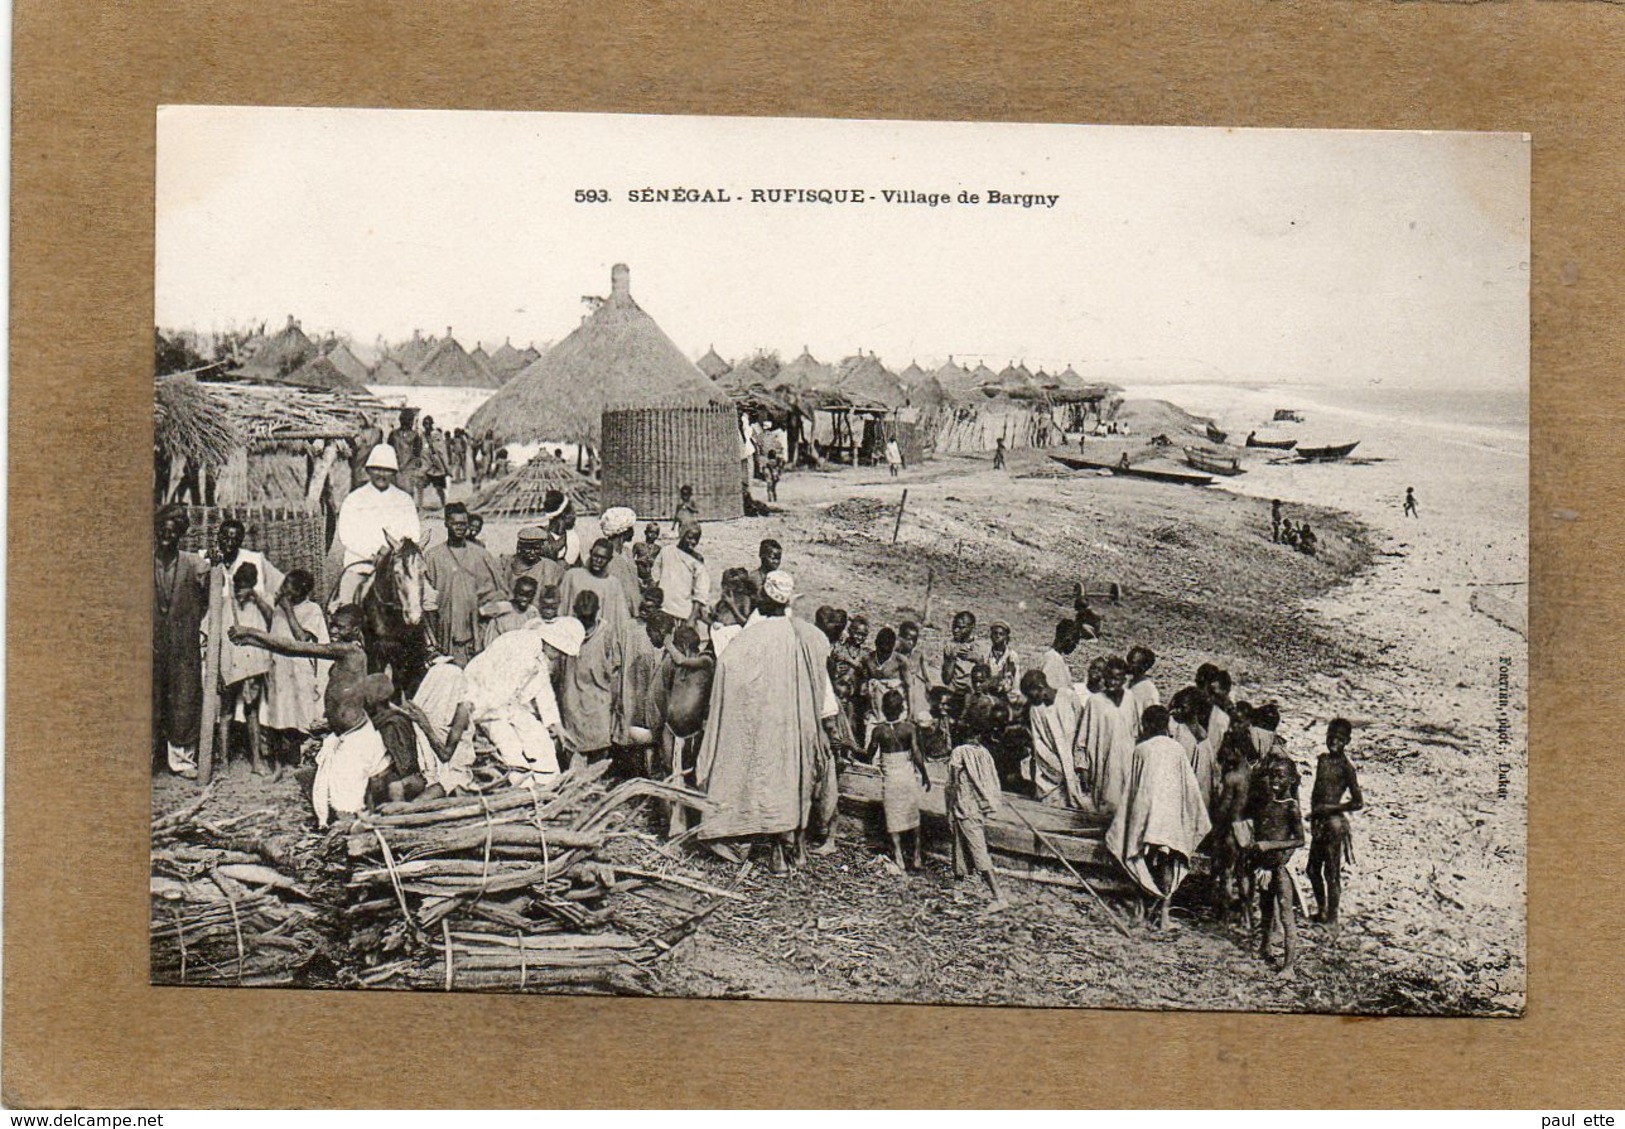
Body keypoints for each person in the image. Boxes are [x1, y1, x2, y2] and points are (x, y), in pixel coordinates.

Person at [695, 571, 845, 874]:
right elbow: (822, 682)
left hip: (760, 720)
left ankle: (755, 842)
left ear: (763, 597)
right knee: (787, 782)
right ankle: (787, 852)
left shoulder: (753, 634)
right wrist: (827, 724)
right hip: (793, 724)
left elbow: (727, 666)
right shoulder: (801, 635)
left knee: (756, 777)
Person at [229, 606, 395, 826]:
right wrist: (251, 641)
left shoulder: (350, 652)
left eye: (340, 627)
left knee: (345, 807)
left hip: (354, 738)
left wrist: (252, 633)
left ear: (355, 630)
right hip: (344, 734)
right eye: (332, 624)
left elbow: (295, 648)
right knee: (332, 801)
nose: (333, 630)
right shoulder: (348, 651)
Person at [1105, 705, 1213, 931]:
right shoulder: (1177, 749)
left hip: (1145, 815)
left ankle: (1139, 912)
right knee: (1167, 861)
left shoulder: (1141, 749)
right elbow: (1189, 787)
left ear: (1146, 726)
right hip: (1169, 818)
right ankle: (1163, 915)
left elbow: (1133, 787)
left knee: (1138, 857)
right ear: (1166, 726)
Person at [462, 616, 585, 783]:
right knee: (510, 745)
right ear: (551, 642)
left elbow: (543, 690)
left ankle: (548, 783)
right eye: (561, 652)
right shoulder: (522, 646)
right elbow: (498, 691)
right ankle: (525, 791)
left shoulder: (540, 652)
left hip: (508, 703)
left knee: (539, 738)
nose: (561, 657)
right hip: (483, 702)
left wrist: (554, 724)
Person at [154, 507, 209, 778]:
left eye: (173, 529)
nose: (167, 533)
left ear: (181, 534)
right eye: (163, 527)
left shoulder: (195, 565)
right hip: (150, 644)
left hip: (183, 645)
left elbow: (208, 601)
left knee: (184, 698)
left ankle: (182, 761)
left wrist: (188, 626)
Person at [257, 569, 330, 776]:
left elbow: (303, 639)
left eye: (288, 591)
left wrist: (288, 610)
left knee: (301, 716)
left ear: (301, 593)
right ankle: (279, 765)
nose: (282, 593)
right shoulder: (279, 609)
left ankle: (300, 761)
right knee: (279, 715)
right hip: (279, 670)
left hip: (300, 672)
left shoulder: (312, 610)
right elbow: (274, 637)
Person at [333, 444, 422, 610]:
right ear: (368, 470)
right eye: (377, 469)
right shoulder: (354, 499)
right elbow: (346, 534)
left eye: (387, 470)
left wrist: (393, 552)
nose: (382, 474)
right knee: (347, 607)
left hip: (398, 568)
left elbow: (413, 533)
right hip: (362, 565)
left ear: (394, 473)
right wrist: (373, 552)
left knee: (424, 602)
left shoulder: (404, 500)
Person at [946, 701, 1011, 912]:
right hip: (975, 808)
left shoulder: (959, 752)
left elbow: (953, 783)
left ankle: (998, 895)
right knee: (959, 845)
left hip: (965, 808)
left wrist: (948, 808)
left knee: (978, 851)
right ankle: (958, 888)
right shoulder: (984, 753)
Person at [422, 503, 504, 666]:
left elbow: (497, 593)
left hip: (476, 631)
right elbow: (426, 601)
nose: (460, 528)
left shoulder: (481, 555)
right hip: (444, 631)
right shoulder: (432, 557)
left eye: (463, 524)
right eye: (455, 523)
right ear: (446, 523)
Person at [385, 656, 476, 801]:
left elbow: (446, 756)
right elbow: (404, 712)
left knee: (418, 803)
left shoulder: (462, 711)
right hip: (429, 771)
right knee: (395, 788)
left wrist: (424, 724)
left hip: (453, 773)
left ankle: (401, 816)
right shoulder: (433, 708)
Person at [1249, 754, 1305, 971]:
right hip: (1266, 866)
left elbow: (1299, 840)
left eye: (1280, 777)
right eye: (1272, 776)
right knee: (1266, 909)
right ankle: (1266, 947)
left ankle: (1289, 966)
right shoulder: (1269, 802)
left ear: (1291, 780)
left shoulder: (1291, 807)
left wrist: (1269, 845)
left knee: (1285, 914)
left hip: (1281, 867)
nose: (1274, 781)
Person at [658, 623, 715, 834]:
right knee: (670, 773)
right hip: (671, 730)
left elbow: (681, 659)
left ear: (682, 645)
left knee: (690, 776)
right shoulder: (678, 666)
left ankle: (693, 826)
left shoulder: (705, 662)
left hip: (691, 734)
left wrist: (666, 643)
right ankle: (674, 825)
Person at [1308, 718, 1364, 930]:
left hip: (1333, 824)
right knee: (1313, 869)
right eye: (1331, 736)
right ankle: (1322, 909)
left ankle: (1332, 918)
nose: (1334, 742)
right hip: (1320, 821)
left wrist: (1331, 809)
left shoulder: (1346, 767)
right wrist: (1315, 816)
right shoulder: (1322, 760)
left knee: (1331, 872)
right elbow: (1315, 792)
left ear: (1347, 741)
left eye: (1340, 739)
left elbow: (1358, 802)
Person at [558, 589, 620, 767]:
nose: (584, 624)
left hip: (598, 699)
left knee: (599, 749)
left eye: (588, 619)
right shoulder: (566, 630)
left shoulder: (606, 632)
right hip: (572, 699)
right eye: (581, 618)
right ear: (575, 610)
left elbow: (615, 667)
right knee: (572, 748)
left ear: (597, 611)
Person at [868, 688, 927, 871]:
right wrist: (924, 774)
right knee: (912, 815)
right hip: (906, 775)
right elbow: (916, 754)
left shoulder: (879, 730)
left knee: (892, 815)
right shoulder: (909, 728)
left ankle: (899, 856)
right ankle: (916, 856)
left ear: (883, 709)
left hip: (891, 777)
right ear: (902, 708)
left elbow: (869, 753)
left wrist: (853, 748)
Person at [1077, 655, 1139, 812]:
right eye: (1109, 678)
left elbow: (1135, 732)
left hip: (1126, 766)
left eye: (1118, 678)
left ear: (1125, 678)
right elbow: (1082, 740)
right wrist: (1083, 769)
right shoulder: (1095, 702)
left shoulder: (1131, 698)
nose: (1113, 682)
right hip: (1103, 766)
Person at [560, 537, 635, 650]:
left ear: (610, 559)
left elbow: (621, 620)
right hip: (571, 639)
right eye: (595, 556)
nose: (598, 561)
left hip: (598, 644)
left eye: (603, 558)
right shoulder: (572, 576)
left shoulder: (613, 584)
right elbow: (561, 608)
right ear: (590, 553)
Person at [1023, 670, 1084, 808]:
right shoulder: (1036, 710)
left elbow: (1082, 726)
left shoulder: (1068, 696)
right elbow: (1039, 743)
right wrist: (1059, 769)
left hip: (1076, 762)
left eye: (1032, 694)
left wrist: (1079, 761)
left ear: (1040, 686)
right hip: (1054, 773)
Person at [895, 620, 941, 758]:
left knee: (921, 719)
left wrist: (929, 685)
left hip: (917, 688)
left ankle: (921, 751)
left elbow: (925, 673)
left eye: (914, 640)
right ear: (900, 637)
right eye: (908, 639)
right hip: (904, 687)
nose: (911, 643)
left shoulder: (918, 654)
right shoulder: (896, 655)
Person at [656, 526, 711, 625]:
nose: (693, 542)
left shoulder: (697, 561)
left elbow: (701, 592)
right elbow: (655, 576)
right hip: (663, 608)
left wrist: (692, 618)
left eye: (696, 539)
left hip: (683, 613)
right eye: (689, 538)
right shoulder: (666, 551)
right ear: (682, 535)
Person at [940, 610, 987, 719]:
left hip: (973, 693)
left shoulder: (980, 647)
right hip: (955, 692)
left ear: (971, 628)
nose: (956, 630)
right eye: (954, 626)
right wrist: (952, 657)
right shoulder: (950, 646)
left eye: (961, 627)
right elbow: (946, 679)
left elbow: (987, 678)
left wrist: (978, 660)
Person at [597, 507, 645, 612]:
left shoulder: (627, 552)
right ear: (623, 531)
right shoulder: (605, 556)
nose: (633, 531)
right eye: (631, 528)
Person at [481, 575, 541, 648]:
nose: (524, 599)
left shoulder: (532, 612)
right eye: (521, 594)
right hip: (498, 646)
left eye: (529, 595)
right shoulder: (503, 606)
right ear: (515, 592)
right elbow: (481, 611)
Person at [505, 526, 566, 595]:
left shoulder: (550, 567)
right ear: (520, 546)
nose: (532, 552)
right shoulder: (506, 563)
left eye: (536, 548)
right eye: (528, 548)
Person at [708, 568, 754, 658]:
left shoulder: (744, 600)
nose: (725, 588)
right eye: (724, 584)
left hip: (734, 642)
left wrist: (732, 606)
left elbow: (747, 625)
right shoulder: (721, 602)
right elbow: (716, 621)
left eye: (730, 585)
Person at [1038, 619, 1081, 707]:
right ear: (1068, 639)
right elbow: (1049, 691)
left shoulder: (1054, 657)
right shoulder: (1053, 659)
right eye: (1075, 643)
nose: (1075, 647)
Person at [387, 408, 425, 506]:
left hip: (400, 468)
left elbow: (417, 454)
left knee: (399, 494)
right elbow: (418, 454)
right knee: (404, 494)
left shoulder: (394, 434)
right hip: (402, 469)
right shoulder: (413, 436)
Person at [419, 415, 450, 511]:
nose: (426, 426)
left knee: (439, 487)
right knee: (420, 484)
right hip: (426, 464)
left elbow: (441, 451)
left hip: (437, 465)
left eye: (428, 424)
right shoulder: (422, 436)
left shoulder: (436, 435)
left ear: (431, 424)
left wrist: (446, 467)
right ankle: (420, 506)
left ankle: (444, 504)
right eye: (425, 424)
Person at [985, 621, 1020, 701]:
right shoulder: (986, 654)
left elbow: (1013, 681)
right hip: (988, 695)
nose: (997, 636)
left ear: (1006, 637)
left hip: (1007, 696)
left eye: (1001, 634)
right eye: (995, 633)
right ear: (991, 636)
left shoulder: (1012, 655)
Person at [745, 538, 783, 603]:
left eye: (778, 558)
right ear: (762, 556)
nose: (776, 562)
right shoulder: (753, 578)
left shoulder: (780, 579)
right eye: (773, 558)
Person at [1126, 645, 1160, 712]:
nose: (1129, 666)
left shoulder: (1149, 690)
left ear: (1144, 666)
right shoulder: (1125, 683)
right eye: (1128, 661)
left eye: (1133, 663)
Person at [632, 522, 663, 592]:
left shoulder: (658, 548)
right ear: (645, 532)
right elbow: (629, 561)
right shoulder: (638, 545)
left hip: (651, 578)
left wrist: (653, 561)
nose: (653, 535)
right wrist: (639, 560)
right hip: (638, 577)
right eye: (651, 532)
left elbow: (660, 565)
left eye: (655, 533)